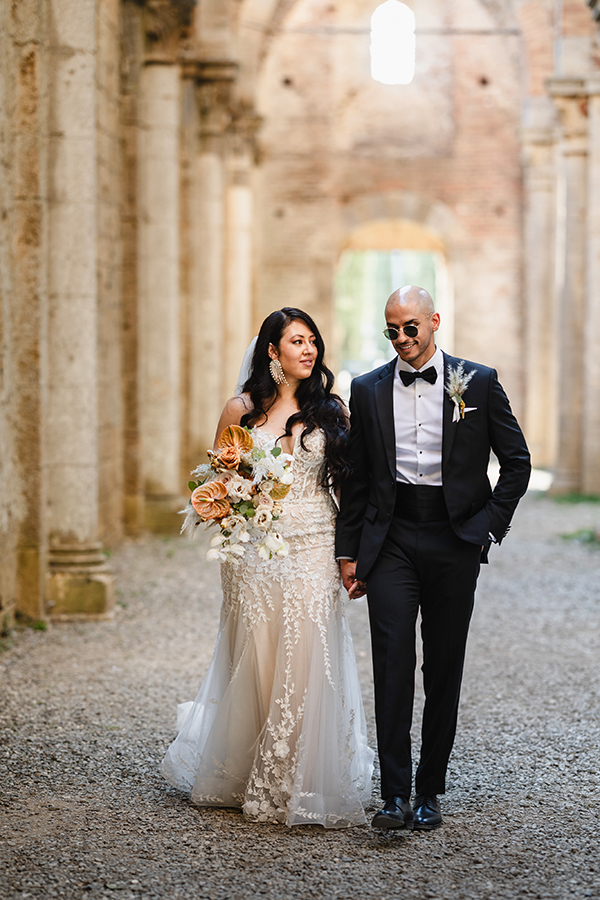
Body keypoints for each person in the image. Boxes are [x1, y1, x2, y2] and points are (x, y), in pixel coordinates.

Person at [161, 307, 374, 828]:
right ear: (272, 352)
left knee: (307, 651)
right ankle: (247, 764)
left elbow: (347, 487)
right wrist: (234, 517)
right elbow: (216, 480)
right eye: (296, 342)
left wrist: (353, 555)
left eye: (312, 341)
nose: (309, 350)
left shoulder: (332, 412)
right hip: (254, 550)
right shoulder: (241, 410)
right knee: (258, 652)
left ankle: (298, 774)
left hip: (315, 542)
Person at [336, 285, 531, 831]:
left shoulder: (479, 381)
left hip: (455, 539)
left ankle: (429, 789)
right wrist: (348, 551)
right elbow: (356, 480)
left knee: (443, 666)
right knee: (392, 661)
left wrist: (486, 528)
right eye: (391, 330)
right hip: (391, 537)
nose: (401, 339)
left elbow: (517, 463)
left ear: (435, 321)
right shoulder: (368, 388)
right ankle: (394, 795)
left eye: (410, 328)